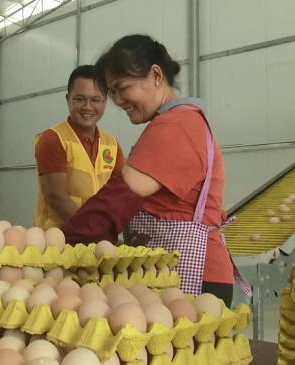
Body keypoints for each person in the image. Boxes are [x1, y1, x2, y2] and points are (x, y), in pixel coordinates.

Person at [61, 35, 251, 304]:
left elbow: (117, 200)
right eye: (112, 92)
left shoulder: (176, 125)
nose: (118, 100)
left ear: (155, 75)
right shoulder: (179, 121)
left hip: (190, 276)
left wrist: (64, 242)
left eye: (122, 87)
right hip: (173, 272)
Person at [33, 65, 125, 230]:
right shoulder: (53, 139)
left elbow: (118, 195)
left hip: (93, 241)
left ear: (105, 101)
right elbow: (56, 196)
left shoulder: (112, 144)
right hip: (57, 242)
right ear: (68, 99)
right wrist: (94, 230)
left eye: (95, 100)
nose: (88, 107)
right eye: (80, 99)